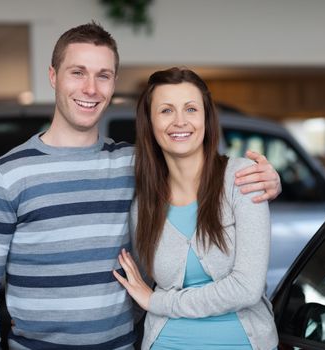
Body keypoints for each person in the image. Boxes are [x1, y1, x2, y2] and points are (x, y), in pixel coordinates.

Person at [0, 22, 281, 349]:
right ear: (53, 76)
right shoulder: (5, 175)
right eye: (78, 72)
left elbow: (194, 166)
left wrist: (267, 178)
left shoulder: (135, 165)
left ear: (113, 83)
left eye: (103, 75)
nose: (90, 88)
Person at [113, 67, 278, 350]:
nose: (180, 121)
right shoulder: (143, 204)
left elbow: (247, 288)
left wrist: (159, 302)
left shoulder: (242, 178)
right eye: (166, 111)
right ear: (150, 123)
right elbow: (138, 291)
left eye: (191, 109)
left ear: (206, 118)